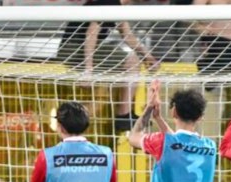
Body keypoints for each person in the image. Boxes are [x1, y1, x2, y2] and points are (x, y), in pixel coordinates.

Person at [57, 0, 159, 132]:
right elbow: (91, 34)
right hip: (73, 49)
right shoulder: (109, 2)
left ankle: (122, 114)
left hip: (77, 49)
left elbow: (127, 35)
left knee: (129, 66)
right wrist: (88, 70)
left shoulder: (117, 6)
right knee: (132, 61)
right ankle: (123, 115)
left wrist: (147, 56)